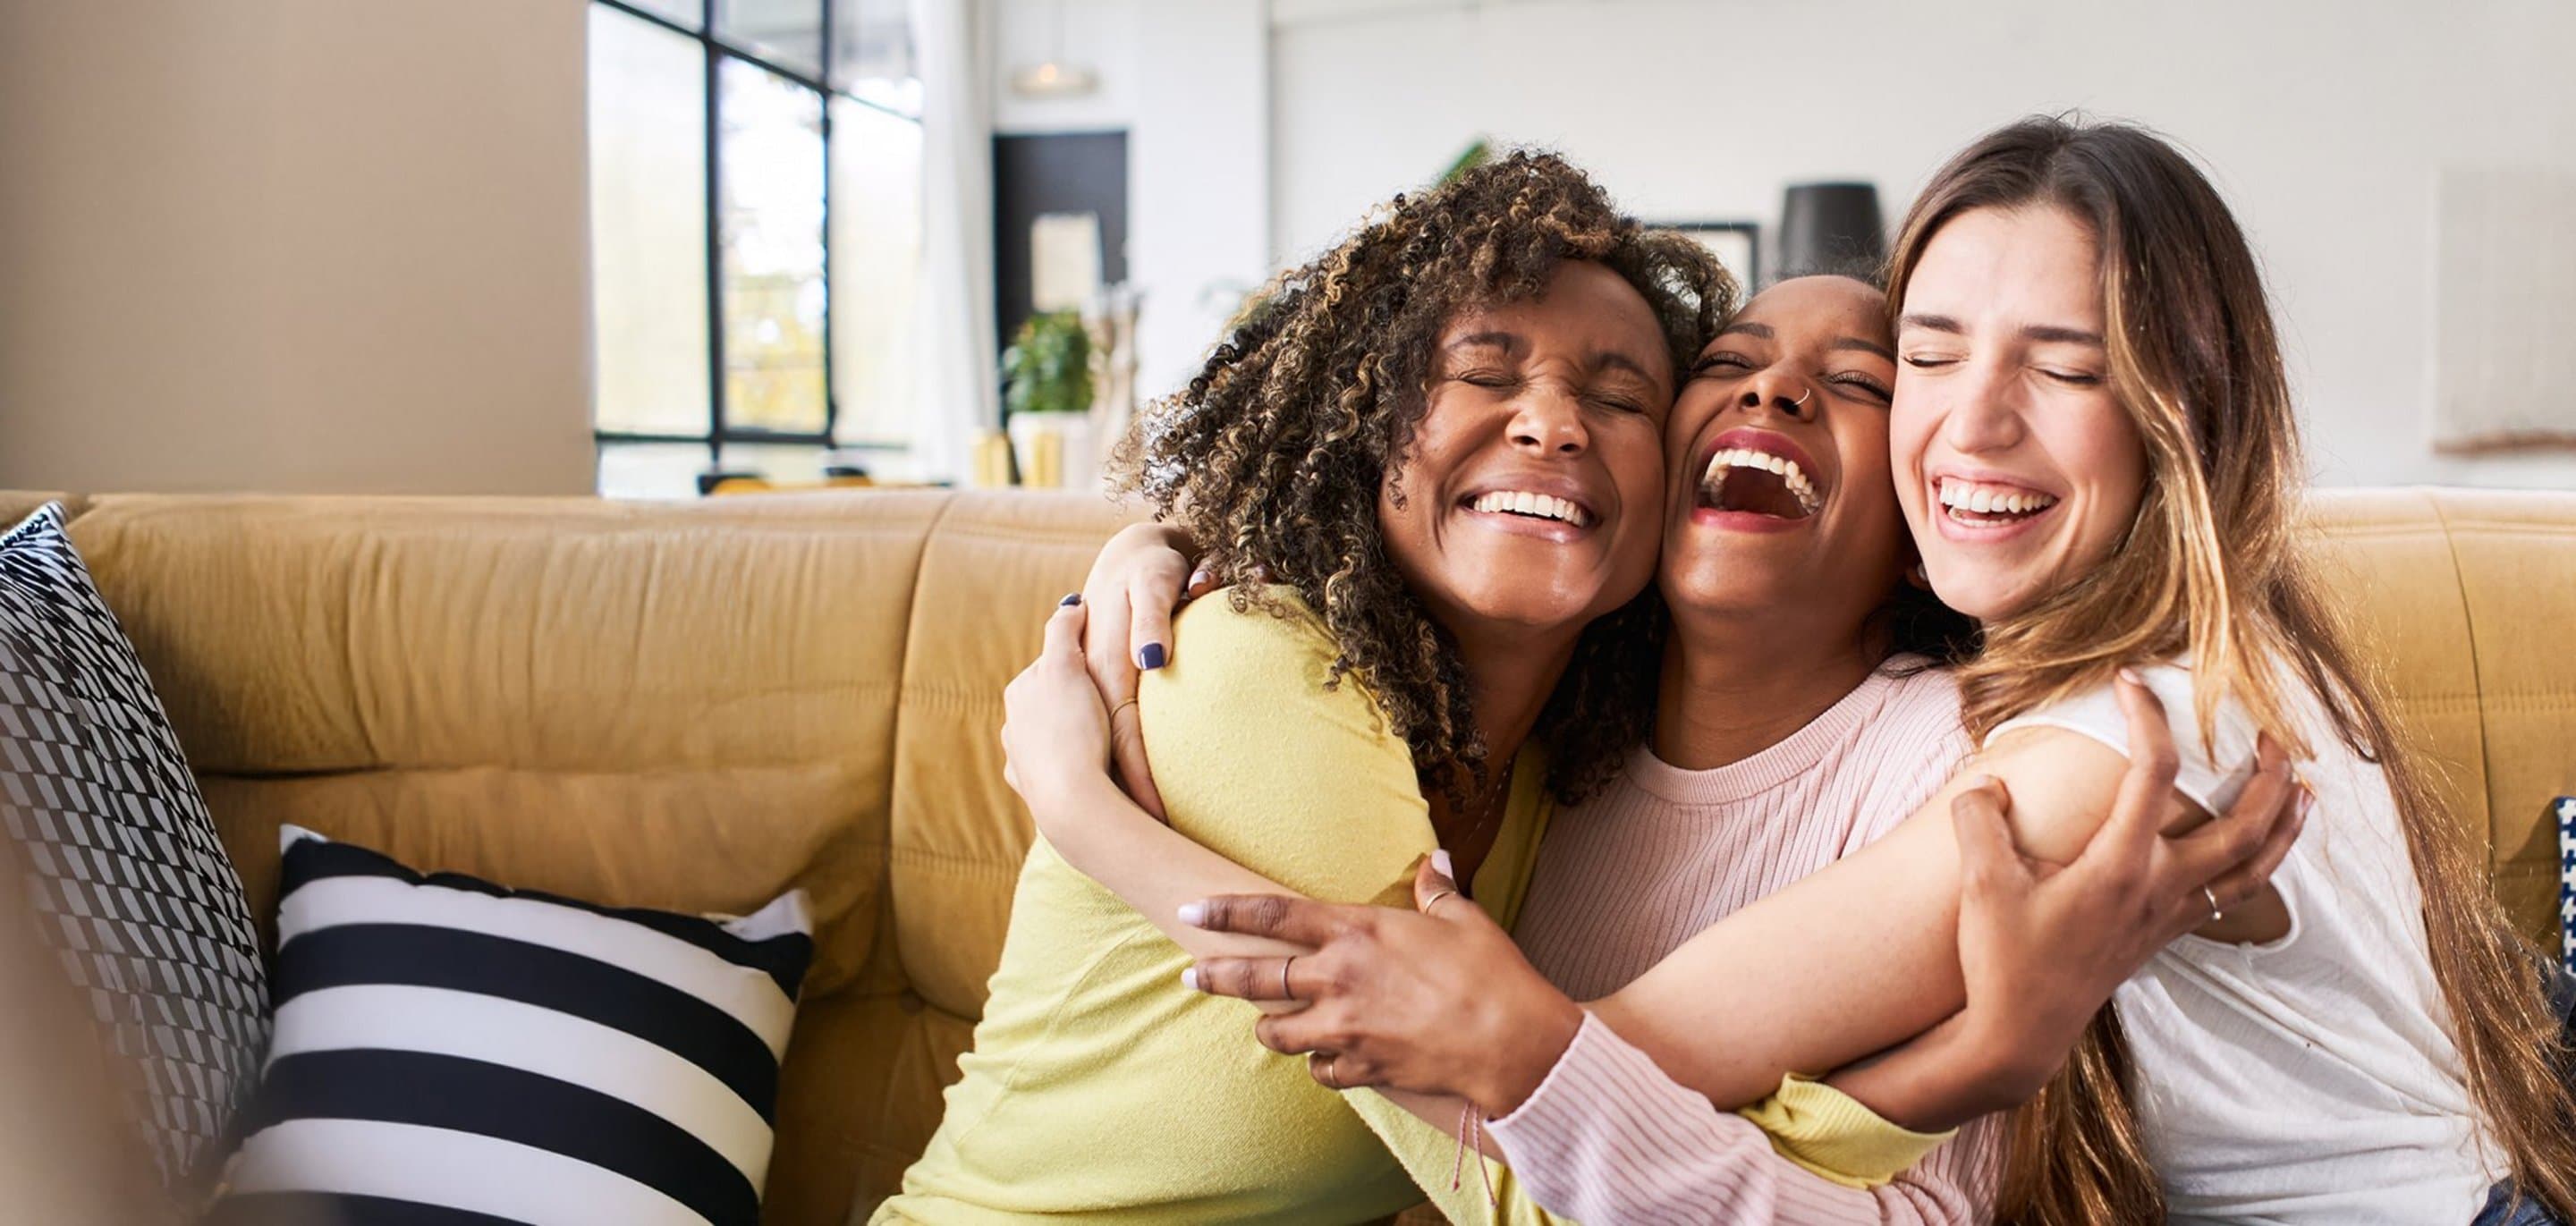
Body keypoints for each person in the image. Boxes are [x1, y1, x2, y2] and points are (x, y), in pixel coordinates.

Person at [1039, 118, 2576, 1225]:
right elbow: (1410, 510)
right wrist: (1175, 536)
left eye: (2063, 364)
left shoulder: (2105, 748)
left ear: (2187, 413)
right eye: (1939, 354)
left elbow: (1558, 1078)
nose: (1967, 424)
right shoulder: (1555, 724)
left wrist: (1086, 804)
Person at [1021, 287, 2294, 1222]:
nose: (1773, 389)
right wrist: (1157, 539)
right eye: (1728, 361)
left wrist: (1091, 811)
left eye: (1853, 382)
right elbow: (1383, 505)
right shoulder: (1541, 749)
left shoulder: (1962, 773)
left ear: (1920, 524)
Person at [875, 151, 1736, 1223]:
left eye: (1619, 397)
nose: (1554, 421)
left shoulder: (1581, 751)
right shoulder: (1260, 667)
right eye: (1484, 369)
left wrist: (1086, 812)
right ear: (1367, 425)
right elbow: (1529, 1197)